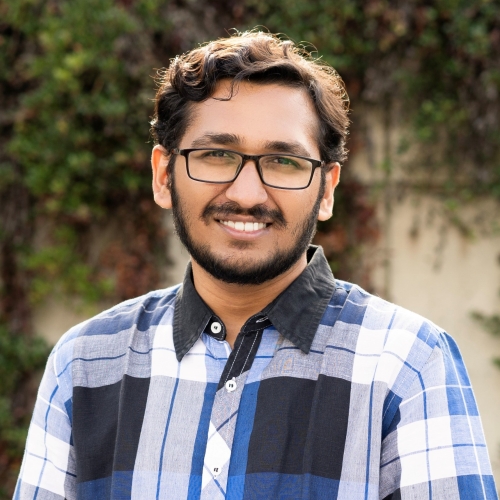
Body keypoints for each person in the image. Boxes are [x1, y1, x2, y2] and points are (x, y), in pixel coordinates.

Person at [15, 31, 497, 500]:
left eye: (284, 162)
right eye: (217, 155)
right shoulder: (86, 364)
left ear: (327, 189)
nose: (247, 194)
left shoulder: (407, 363)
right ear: (164, 176)